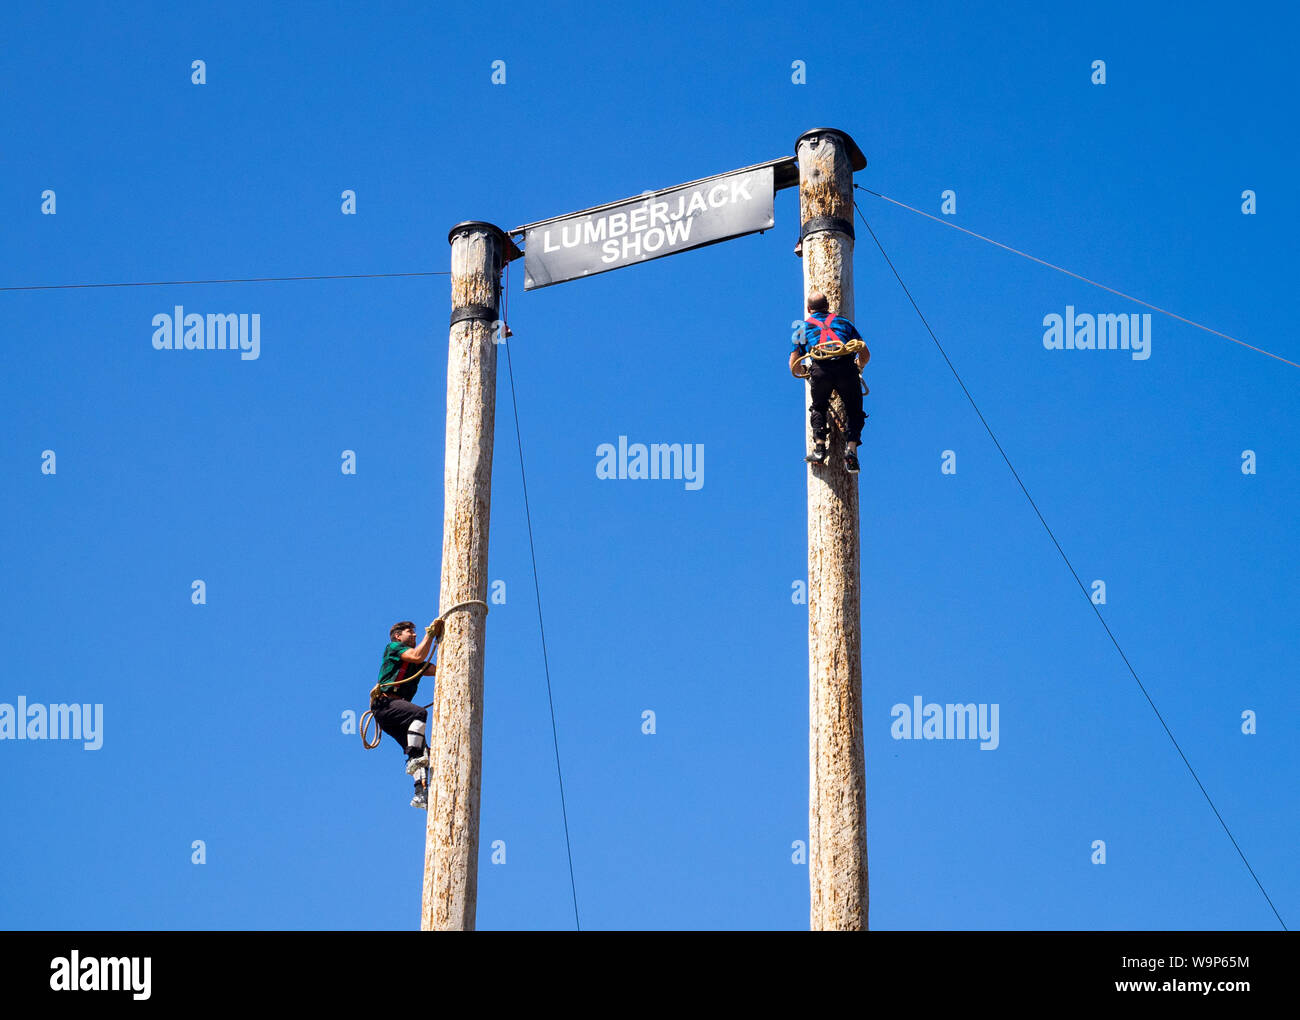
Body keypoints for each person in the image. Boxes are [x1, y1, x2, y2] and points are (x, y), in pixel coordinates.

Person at [789, 292, 869, 473]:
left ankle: (819, 449)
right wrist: (859, 365)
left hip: (820, 371)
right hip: (846, 369)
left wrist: (804, 372)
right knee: (854, 411)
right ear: (828, 305)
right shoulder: (845, 323)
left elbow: (794, 364)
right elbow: (864, 353)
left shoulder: (801, 328)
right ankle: (851, 451)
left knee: (818, 407)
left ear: (809, 309)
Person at [373, 619, 443, 808]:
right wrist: (430, 634)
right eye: (409, 632)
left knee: (424, 752)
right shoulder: (393, 648)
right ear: (398, 636)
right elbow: (419, 656)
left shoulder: (415, 665)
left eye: (415, 632)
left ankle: (420, 793)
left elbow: (437, 669)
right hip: (386, 704)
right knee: (418, 714)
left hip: (395, 712)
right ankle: (413, 756)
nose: (414, 634)